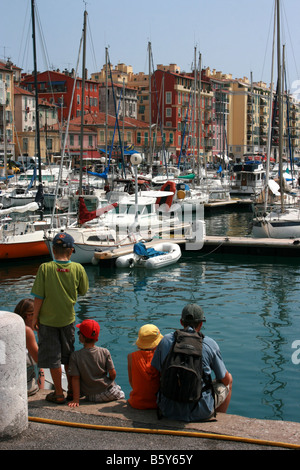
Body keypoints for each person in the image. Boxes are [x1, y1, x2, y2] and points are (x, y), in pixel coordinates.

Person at [31, 232, 89, 404]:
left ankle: (58, 393)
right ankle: (72, 390)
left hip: (47, 321)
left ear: (53, 250)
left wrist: (34, 318)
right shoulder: (78, 268)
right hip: (68, 320)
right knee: (68, 355)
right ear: (71, 251)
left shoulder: (45, 268)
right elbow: (83, 291)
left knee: (53, 358)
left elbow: (38, 296)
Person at [151, 303, 233, 422]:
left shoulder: (166, 341)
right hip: (201, 410)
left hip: (167, 408)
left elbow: (156, 371)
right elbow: (225, 380)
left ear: (181, 322)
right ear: (201, 324)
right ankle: (219, 420)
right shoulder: (210, 344)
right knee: (229, 380)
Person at [68, 319, 125, 407]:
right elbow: (113, 374)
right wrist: (110, 380)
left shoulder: (75, 356)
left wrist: (76, 399)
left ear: (82, 337)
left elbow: (75, 378)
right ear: (96, 338)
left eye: (79, 333)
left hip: (91, 396)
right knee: (120, 391)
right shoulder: (105, 352)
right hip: (108, 392)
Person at [127, 324, 163, 409]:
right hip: (157, 403)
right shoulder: (160, 357)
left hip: (136, 403)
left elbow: (131, 382)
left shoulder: (131, 357)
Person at [14, 298, 45, 396]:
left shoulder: (13, 327)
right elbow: (41, 360)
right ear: (29, 315)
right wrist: (41, 333)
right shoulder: (26, 331)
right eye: (38, 314)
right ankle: (41, 392)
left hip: (10, 382)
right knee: (41, 368)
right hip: (24, 388)